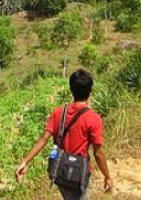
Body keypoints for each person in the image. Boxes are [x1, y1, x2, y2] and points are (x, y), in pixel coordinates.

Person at [15, 68, 113, 199]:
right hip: (78, 172)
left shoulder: (59, 112)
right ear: (91, 91)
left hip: (59, 169)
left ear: (71, 89)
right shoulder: (93, 118)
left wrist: (25, 161)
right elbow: (98, 153)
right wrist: (107, 176)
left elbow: (44, 139)